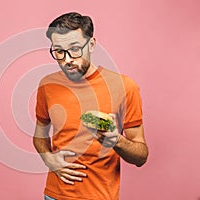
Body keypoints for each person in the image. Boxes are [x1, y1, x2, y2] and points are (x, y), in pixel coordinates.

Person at [33, 12, 148, 200]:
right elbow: (39, 136)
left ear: (92, 45)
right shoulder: (47, 85)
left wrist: (116, 141)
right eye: (59, 51)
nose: (67, 59)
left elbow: (141, 156)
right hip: (53, 196)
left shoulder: (124, 86)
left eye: (75, 49)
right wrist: (48, 158)